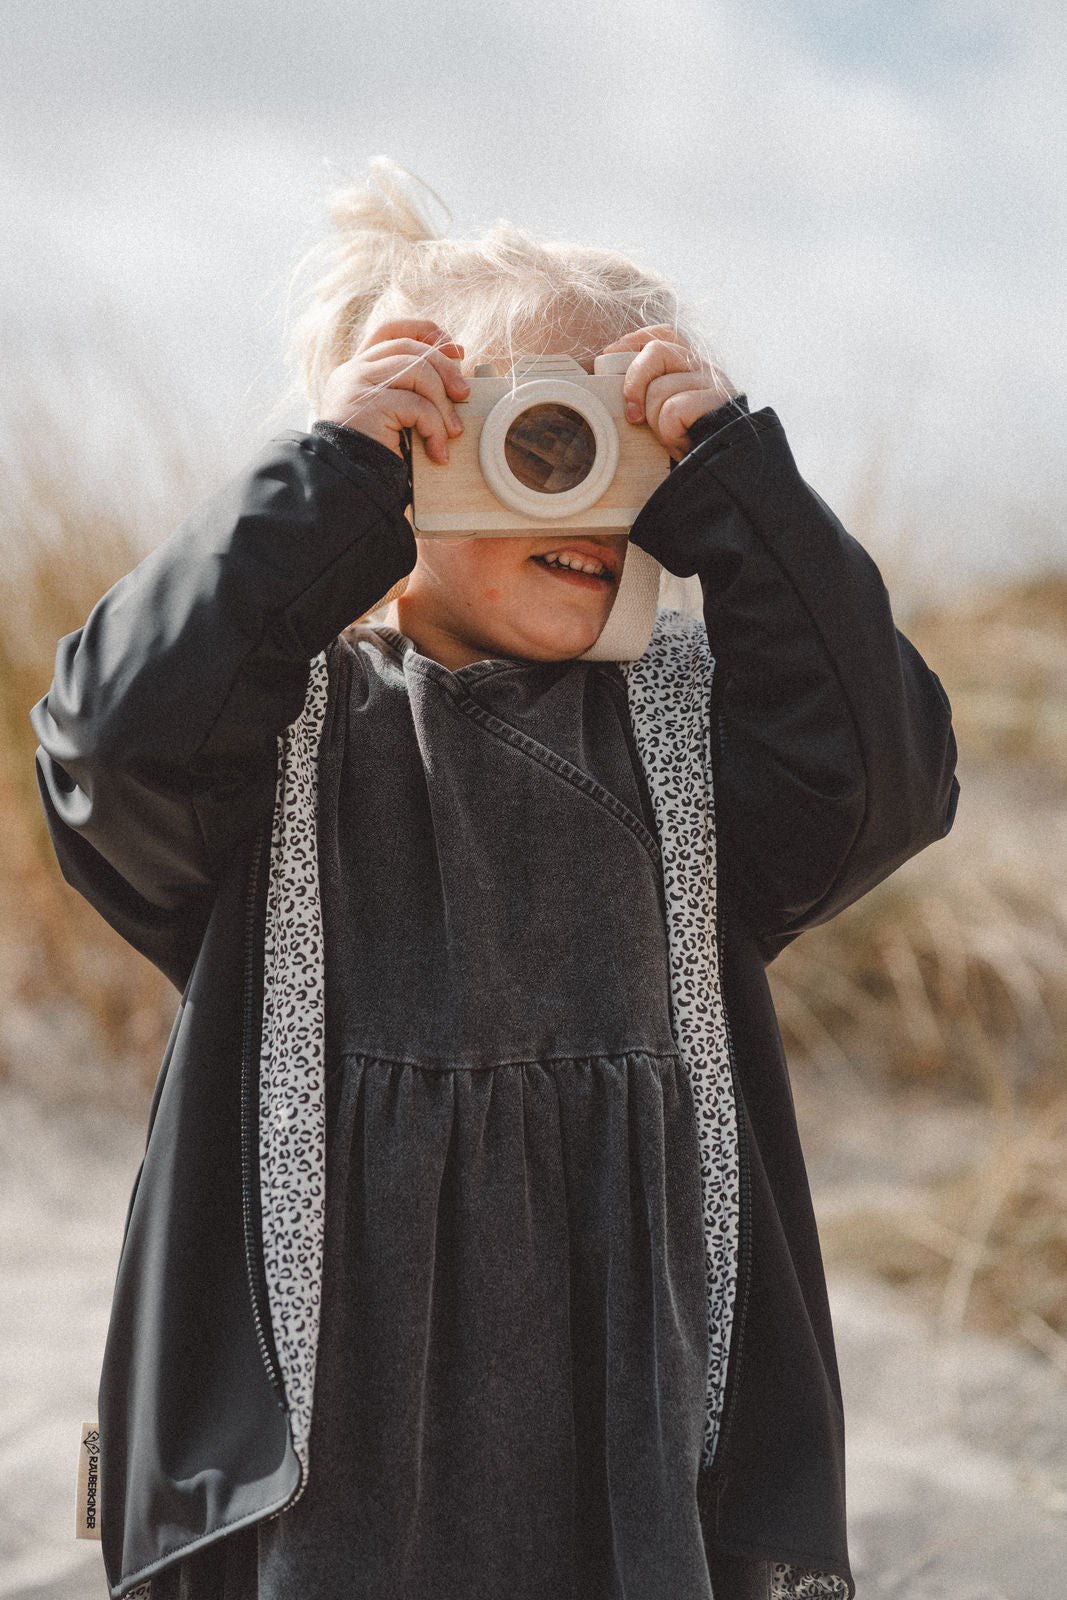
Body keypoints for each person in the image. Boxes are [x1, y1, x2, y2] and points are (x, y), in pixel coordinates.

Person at [32, 161, 958, 1600]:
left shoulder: (686, 745)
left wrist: (739, 488)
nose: (596, 491)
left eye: (631, 448)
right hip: (331, 1468)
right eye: (544, 433)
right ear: (415, 452)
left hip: (632, 1446)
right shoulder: (276, 749)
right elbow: (109, 743)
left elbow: (886, 778)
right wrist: (324, 483)